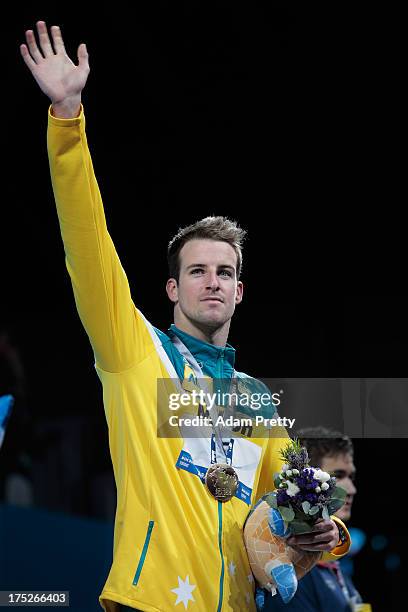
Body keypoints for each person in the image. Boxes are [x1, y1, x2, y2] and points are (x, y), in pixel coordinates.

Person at [20, 22, 350, 612]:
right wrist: (68, 120)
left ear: (241, 291)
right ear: (172, 287)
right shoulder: (135, 352)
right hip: (153, 601)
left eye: (224, 272)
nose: (212, 282)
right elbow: (87, 242)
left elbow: (293, 499)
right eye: (197, 271)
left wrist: (322, 534)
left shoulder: (254, 401)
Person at [264, 427, 372, 611]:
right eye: (338, 475)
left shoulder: (332, 567)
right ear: (304, 480)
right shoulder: (287, 572)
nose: (352, 489)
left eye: (351, 476)